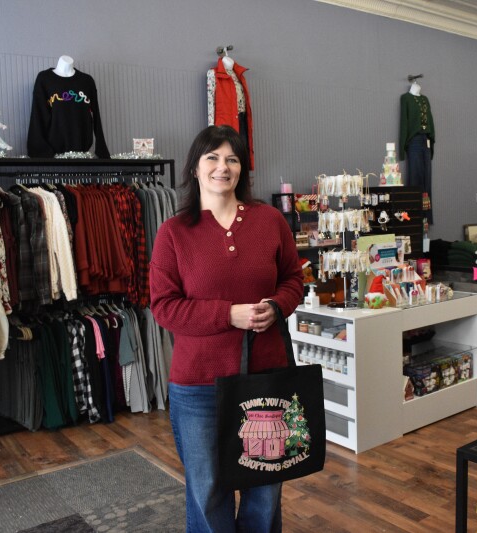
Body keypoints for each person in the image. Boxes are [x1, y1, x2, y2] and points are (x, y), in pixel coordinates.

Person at [150, 125, 303, 532]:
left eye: (232, 159)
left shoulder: (270, 221)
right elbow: (164, 308)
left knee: (266, 485)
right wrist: (228, 315)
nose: (223, 167)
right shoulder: (173, 233)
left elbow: (293, 279)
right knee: (208, 488)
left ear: (242, 169)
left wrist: (277, 305)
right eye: (213, 158)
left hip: (266, 377)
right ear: (195, 168)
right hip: (199, 385)